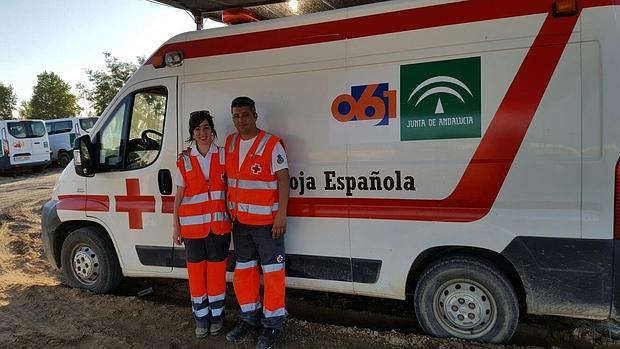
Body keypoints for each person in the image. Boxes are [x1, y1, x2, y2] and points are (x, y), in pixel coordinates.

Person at [224, 96, 290, 349]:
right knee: (245, 273)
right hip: (240, 222)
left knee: (273, 274)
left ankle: (273, 325)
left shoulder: (271, 143)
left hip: (267, 223)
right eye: (236, 116)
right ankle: (250, 319)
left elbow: (284, 179)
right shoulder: (230, 143)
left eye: (245, 114)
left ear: (255, 115)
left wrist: (281, 214)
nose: (241, 120)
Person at [172, 110, 231, 338]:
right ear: (192, 133)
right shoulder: (184, 159)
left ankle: (217, 317)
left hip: (219, 228)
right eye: (197, 129)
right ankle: (201, 319)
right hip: (192, 229)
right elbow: (179, 194)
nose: (203, 133)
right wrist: (175, 225)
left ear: (212, 130)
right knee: (197, 276)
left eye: (206, 127)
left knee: (216, 275)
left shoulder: (224, 156)